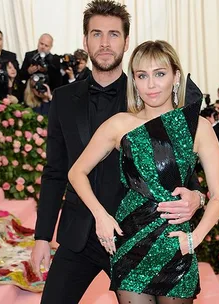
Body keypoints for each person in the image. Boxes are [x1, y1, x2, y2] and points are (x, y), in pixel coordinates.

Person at [31, 1, 205, 303]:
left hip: (137, 235)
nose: (105, 42)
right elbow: (56, 171)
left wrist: (197, 196)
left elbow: (176, 162)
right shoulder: (63, 99)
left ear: (126, 41)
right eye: (96, 34)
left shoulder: (150, 94)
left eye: (113, 34)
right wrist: (42, 237)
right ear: (85, 41)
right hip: (80, 235)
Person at [69, 40, 219, 303]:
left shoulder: (199, 127)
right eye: (142, 76)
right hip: (131, 242)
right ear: (134, 80)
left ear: (176, 76)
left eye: (160, 74)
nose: (151, 85)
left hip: (176, 244)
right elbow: (77, 172)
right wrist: (101, 216)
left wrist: (194, 239)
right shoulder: (120, 124)